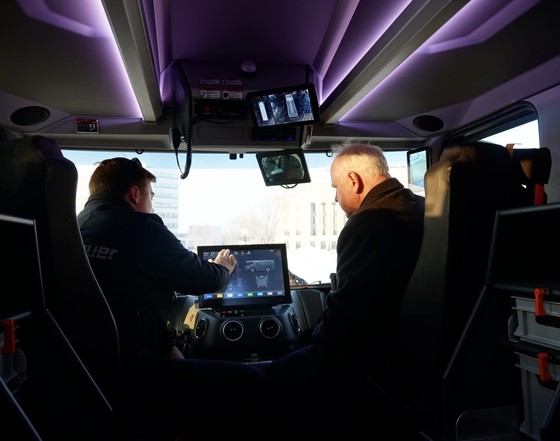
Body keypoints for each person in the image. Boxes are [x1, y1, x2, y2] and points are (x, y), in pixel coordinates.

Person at [77, 157, 271, 438]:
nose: (151, 204)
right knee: (255, 380)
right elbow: (203, 278)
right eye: (151, 196)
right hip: (138, 374)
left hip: (95, 370)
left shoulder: (76, 227)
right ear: (134, 194)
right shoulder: (139, 226)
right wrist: (223, 267)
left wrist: (166, 348)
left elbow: (125, 298)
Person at [264, 142, 425, 436]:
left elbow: (346, 319)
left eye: (336, 188)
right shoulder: (419, 207)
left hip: (372, 358)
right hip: (413, 348)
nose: (336, 198)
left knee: (268, 380)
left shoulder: (369, 221)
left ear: (354, 180)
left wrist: (308, 340)